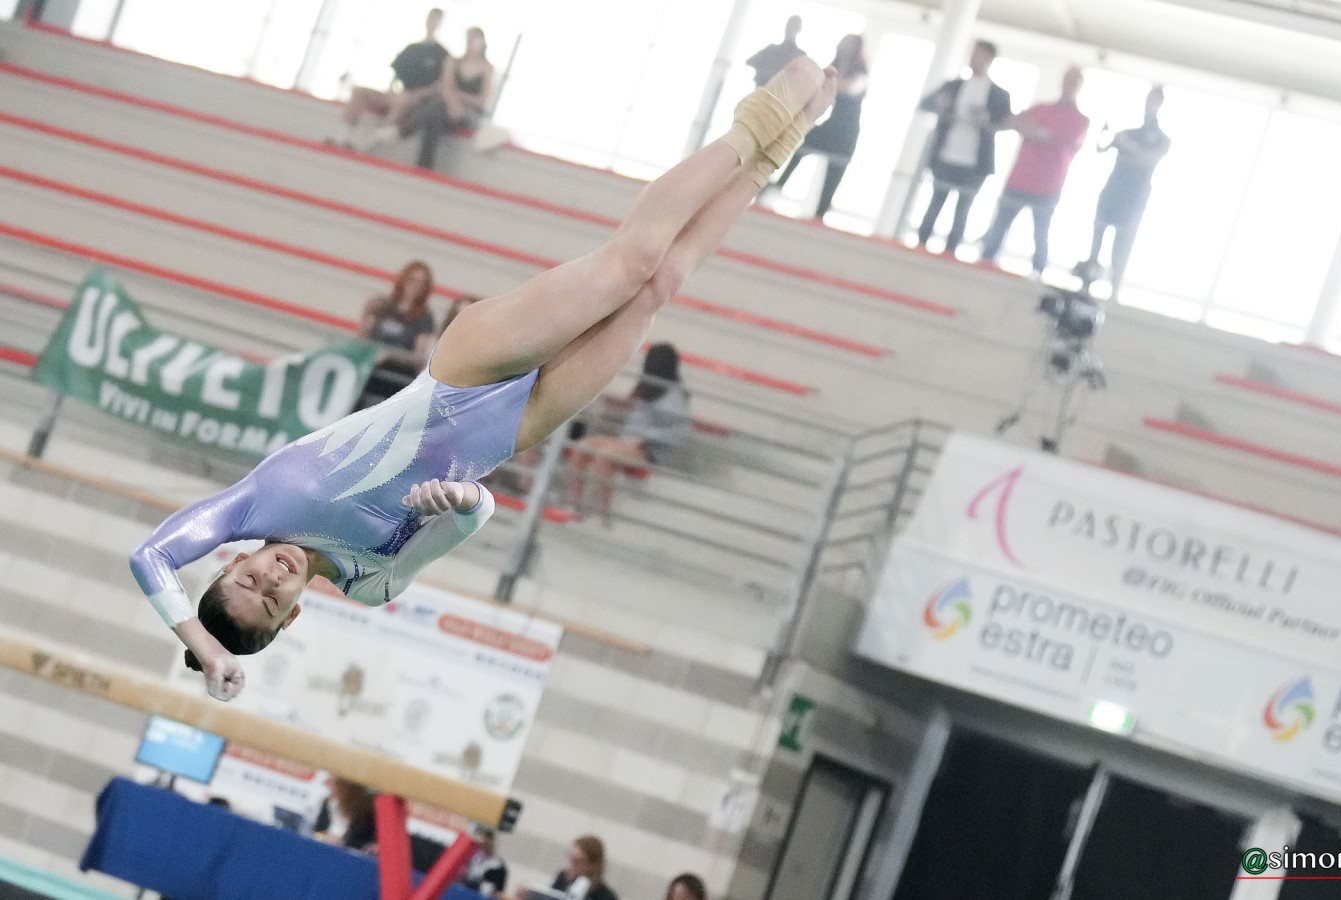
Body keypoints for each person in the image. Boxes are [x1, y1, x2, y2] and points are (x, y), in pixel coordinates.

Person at [129, 58, 837, 702]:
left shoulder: (251, 507)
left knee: (631, 263)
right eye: (273, 599)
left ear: (228, 564)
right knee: (660, 286)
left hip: (462, 372)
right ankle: (779, 146)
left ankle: (761, 116)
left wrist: (204, 647)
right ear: (292, 616)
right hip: (515, 426)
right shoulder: (372, 582)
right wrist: (465, 498)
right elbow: (474, 518)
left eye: (248, 579)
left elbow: (151, 554)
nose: (271, 577)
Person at [978, 67, 1090, 278]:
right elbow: (1013, 123)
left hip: (1048, 186)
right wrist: (1033, 129)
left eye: (1074, 82)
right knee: (999, 226)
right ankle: (984, 264)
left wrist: (1034, 130)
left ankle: (1038, 273)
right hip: (1019, 179)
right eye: (1067, 80)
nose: (1069, 85)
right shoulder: (1040, 108)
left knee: (1040, 233)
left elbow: (1049, 136)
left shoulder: (1080, 120)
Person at [562, 343, 690, 521]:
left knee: (605, 455)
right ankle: (573, 504)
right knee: (583, 447)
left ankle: (602, 512)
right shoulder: (650, 387)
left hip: (648, 452)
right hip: (627, 443)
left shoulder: (673, 396)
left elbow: (679, 432)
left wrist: (643, 438)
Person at [913, 41, 1012, 257]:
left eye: (977, 54)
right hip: (945, 156)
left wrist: (985, 120)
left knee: (963, 209)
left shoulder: (999, 95)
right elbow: (925, 103)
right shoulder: (954, 86)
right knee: (935, 203)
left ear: (988, 59)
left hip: (975, 164)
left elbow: (1005, 124)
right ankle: (920, 246)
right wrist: (941, 104)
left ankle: (950, 253)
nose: (972, 58)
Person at [1075, 85, 1171, 299]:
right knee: (1097, 239)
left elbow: (1148, 159)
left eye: (1154, 100)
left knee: (1121, 247)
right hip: (1113, 191)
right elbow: (1102, 148)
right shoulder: (1129, 132)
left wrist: (1128, 147)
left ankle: (1113, 292)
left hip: (1133, 199)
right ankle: (1085, 285)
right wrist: (1108, 136)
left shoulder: (1162, 139)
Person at [771, 34, 869, 220]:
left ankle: (820, 214)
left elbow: (851, 88)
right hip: (831, 125)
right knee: (805, 144)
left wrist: (827, 82)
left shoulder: (860, 72)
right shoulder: (835, 66)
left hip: (847, 132)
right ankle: (779, 184)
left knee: (834, 175)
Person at [338, 8, 450, 149]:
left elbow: (442, 85)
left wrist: (417, 95)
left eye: (436, 19)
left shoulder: (443, 54)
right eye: (431, 18)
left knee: (403, 99)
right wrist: (391, 90)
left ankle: (370, 141)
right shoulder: (412, 49)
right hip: (399, 94)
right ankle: (344, 137)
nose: (432, 22)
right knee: (359, 91)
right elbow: (397, 73)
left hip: (417, 101)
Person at [404, 26, 497, 170]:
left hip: (471, 113)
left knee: (436, 110)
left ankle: (404, 130)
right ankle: (424, 167)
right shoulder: (453, 62)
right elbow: (446, 87)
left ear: (482, 43)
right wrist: (453, 103)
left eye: (474, 39)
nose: (470, 43)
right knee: (435, 117)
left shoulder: (487, 68)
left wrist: (457, 97)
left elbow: (481, 101)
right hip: (447, 108)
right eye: (468, 39)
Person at [356, 261, 437, 409]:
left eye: (421, 283)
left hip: (397, 375)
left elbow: (418, 357)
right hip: (371, 369)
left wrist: (391, 356)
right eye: (412, 280)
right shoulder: (382, 305)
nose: (415, 286)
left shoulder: (424, 317)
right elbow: (362, 339)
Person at [312, 778, 378, 853]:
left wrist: (343, 844)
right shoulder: (328, 804)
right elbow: (316, 832)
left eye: (335, 783)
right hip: (322, 850)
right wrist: (324, 837)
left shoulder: (365, 814)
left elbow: (366, 845)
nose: (329, 784)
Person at [549, 835, 618, 900]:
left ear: (593, 865)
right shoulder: (562, 879)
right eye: (571, 858)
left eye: (578, 861)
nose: (572, 865)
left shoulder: (606, 896)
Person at [746, 15, 805, 87]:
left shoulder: (800, 56)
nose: (790, 30)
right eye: (790, 26)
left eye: (793, 26)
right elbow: (750, 62)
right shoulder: (771, 50)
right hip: (765, 89)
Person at [460, 825, 509, 896]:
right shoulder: (470, 856)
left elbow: (493, 891)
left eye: (489, 838)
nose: (485, 841)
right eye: (483, 837)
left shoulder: (498, 866)